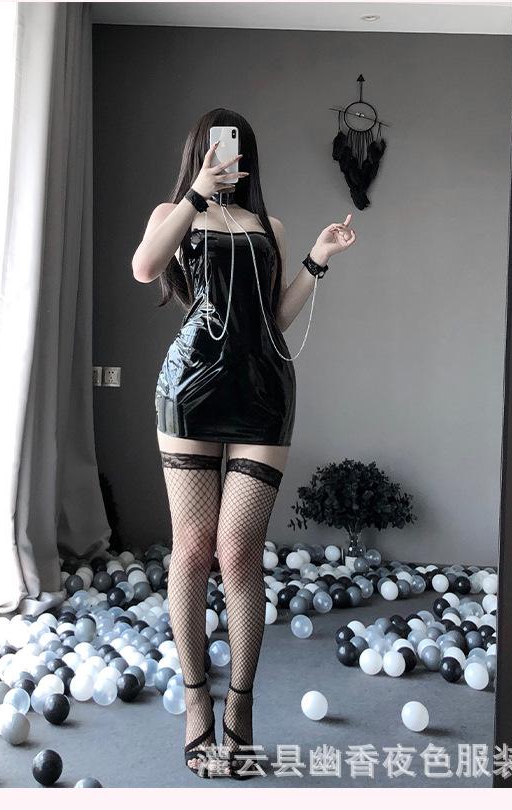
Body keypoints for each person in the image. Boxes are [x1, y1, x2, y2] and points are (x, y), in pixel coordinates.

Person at [131, 108, 355, 779]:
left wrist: (316, 259)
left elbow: (274, 316)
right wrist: (197, 195)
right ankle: (196, 703)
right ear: (198, 152)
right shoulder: (174, 213)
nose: (225, 156)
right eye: (212, 147)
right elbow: (145, 267)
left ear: (247, 154)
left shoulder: (269, 227)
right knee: (193, 547)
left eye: (233, 148)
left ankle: (242, 708)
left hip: (263, 391)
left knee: (238, 551)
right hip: (190, 388)